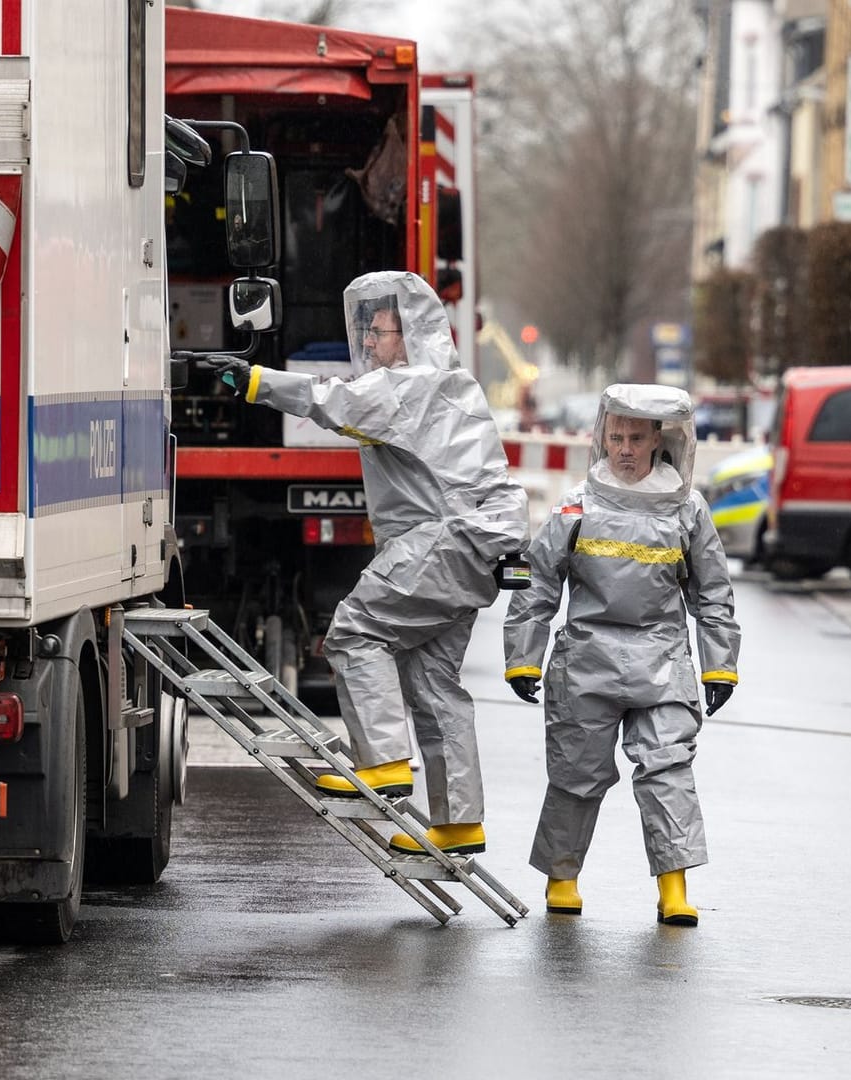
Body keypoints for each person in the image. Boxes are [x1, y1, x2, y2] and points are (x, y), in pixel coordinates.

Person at [228, 271, 527, 857]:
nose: (368, 343)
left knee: (353, 633)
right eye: (364, 330)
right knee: (434, 684)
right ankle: (459, 822)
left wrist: (257, 380)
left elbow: (331, 400)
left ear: (411, 333)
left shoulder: (411, 384)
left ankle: (383, 764)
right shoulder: (449, 384)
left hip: (438, 544)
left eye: (379, 330)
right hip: (471, 547)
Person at [503, 384, 740, 926]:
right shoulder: (577, 505)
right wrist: (523, 655)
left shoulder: (686, 509)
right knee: (575, 772)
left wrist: (719, 663)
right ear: (602, 437)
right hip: (588, 658)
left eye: (637, 437)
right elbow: (539, 582)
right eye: (617, 437)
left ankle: (674, 890)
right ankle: (562, 878)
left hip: (661, 659)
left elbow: (713, 591)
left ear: (659, 438)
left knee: (668, 769)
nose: (626, 448)